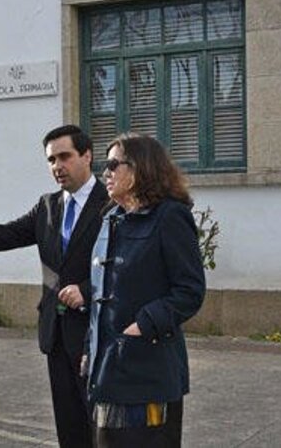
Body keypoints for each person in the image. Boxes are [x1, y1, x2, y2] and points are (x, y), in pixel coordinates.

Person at [0, 124, 108, 448]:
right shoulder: (48, 205)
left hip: (97, 332)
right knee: (68, 422)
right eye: (51, 160)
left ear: (87, 155)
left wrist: (87, 290)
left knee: (101, 424)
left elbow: (124, 267)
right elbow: (11, 234)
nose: (57, 166)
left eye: (64, 157)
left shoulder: (111, 204)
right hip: (57, 331)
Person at [83, 133, 205, 447]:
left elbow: (190, 290)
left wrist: (144, 324)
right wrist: (89, 347)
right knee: (107, 441)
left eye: (114, 164)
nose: (106, 172)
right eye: (105, 165)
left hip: (147, 365)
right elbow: (100, 293)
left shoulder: (169, 216)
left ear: (140, 168)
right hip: (107, 365)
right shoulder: (111, 219)